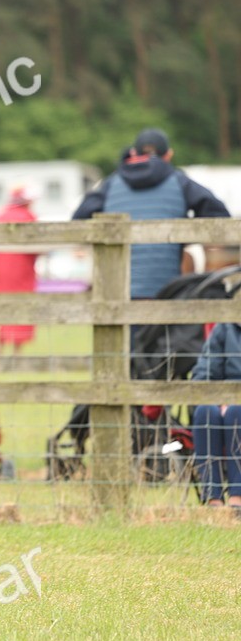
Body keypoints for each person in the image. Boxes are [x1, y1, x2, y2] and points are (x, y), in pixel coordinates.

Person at [73, 128, 229, 300]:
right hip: (168, 292)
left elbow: (78, 220)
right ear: (168, 155)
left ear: (134, 153)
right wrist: (185, 232)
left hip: (117, 294)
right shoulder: (179, 181)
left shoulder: (110, 184)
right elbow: (219, 215)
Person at [189, 322, 241, 513]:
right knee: (205, 411)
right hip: (223, 401)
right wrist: (220, 401)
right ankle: (213, 499)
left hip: (236, 408)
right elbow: (203, 374)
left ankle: (237, 499)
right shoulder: (224, 329)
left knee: (236, 412)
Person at [0, 184, 39, 355]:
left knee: (2, 302)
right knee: (22, 303)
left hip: (0, 268)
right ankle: (17, 348)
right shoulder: (27, 217)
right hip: (22, 268)